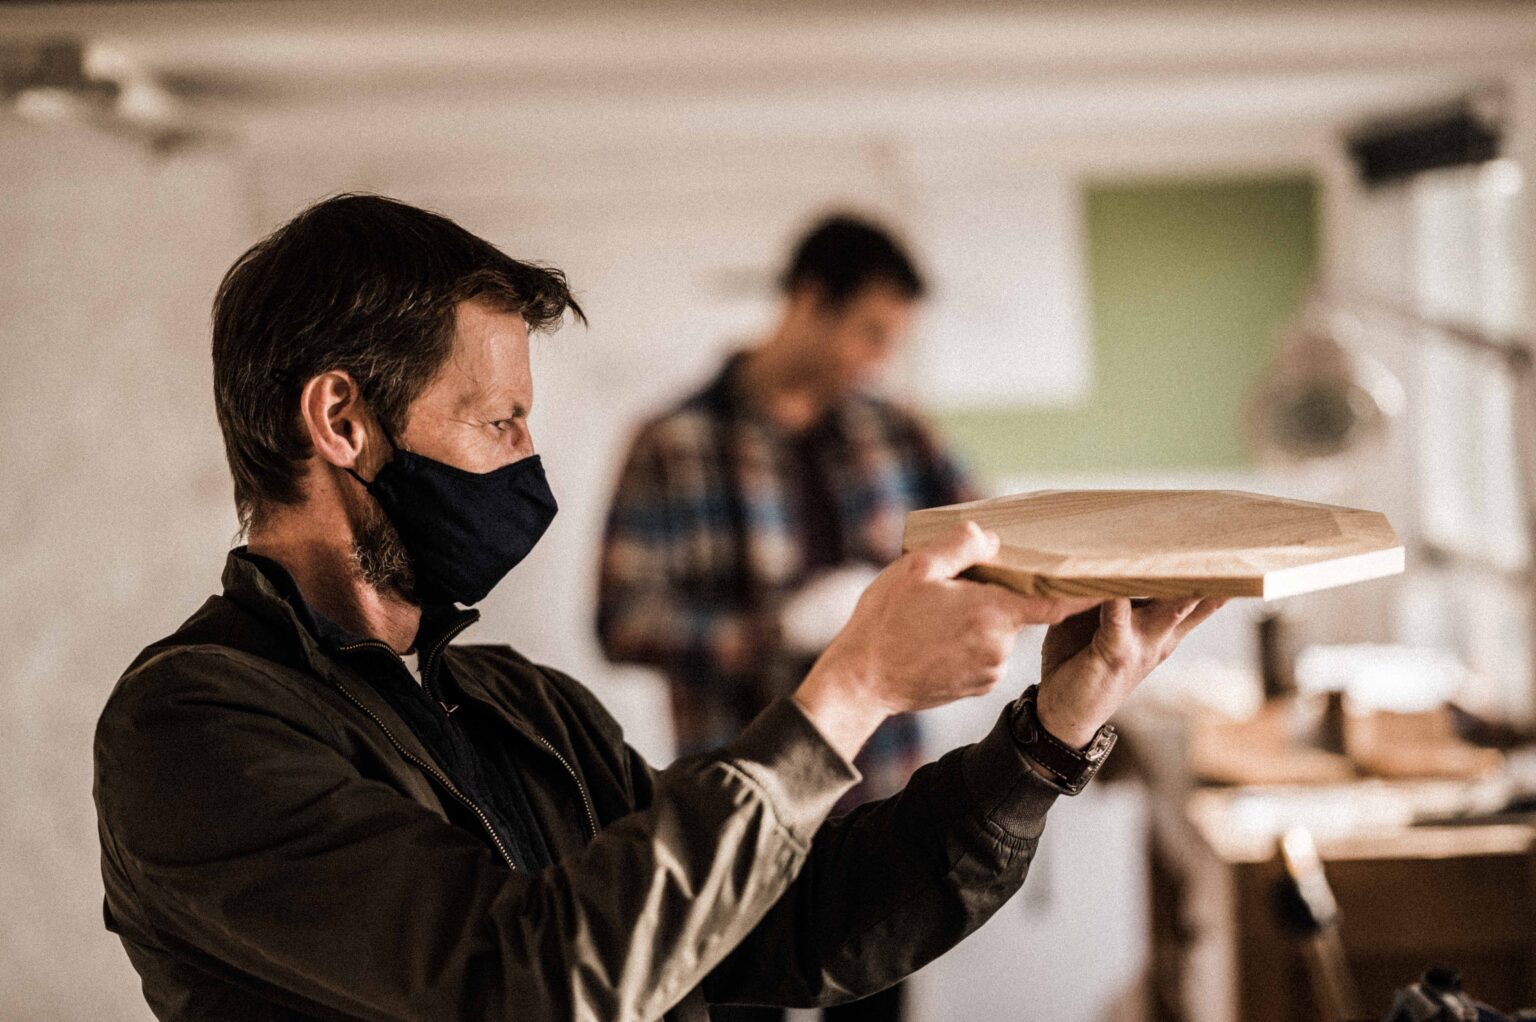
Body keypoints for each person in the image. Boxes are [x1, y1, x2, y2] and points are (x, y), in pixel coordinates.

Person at [93, 194, 1224, 1022]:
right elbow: (520, 983)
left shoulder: (520, 707)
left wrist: (1050, 732)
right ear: (341, 420)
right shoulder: (194, 722)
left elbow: (780, 921)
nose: (530, 462)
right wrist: (852, 680)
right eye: (498, 423)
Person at [596, 215, 975, 1021]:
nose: (878, 359)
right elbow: (621, 618)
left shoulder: (898, 433)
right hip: (740, 804)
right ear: (808, 301)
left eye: (891, 340)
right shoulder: (672, 442)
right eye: (868, 332)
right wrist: (780, 631)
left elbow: (990, 545)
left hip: (883, 800)